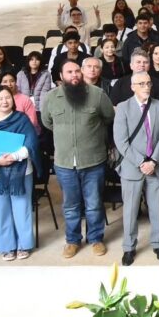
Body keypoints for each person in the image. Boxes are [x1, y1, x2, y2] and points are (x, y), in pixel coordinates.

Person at [40, 60, 115, 258]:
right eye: (69, 72)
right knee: (71, 206)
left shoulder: (97, 94)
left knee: (94, 204)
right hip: (65, 163)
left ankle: (96, 239)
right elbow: (47, 122)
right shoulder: (51, 98)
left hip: (93, 161)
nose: (74, 75)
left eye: (76, 71)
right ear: (61, 76)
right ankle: (72, 241)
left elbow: (108, 117)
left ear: (81, 73)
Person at [0, 85, 40, 260]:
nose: (4, 101)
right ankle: (6, 246)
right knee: (0, 210)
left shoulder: (22, 119)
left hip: (21, 171)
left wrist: (14, 156)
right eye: (0, 98)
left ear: (13, 100)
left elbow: (31, 144)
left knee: (22, 208)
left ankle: (24, 244)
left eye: (8, 97)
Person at [113, 72, 159, 266]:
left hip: (156, 166)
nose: (146, 87)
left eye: (148, 83)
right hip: (132, 167)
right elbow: (121, 141)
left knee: (156, 208)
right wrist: (141, 162)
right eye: (141, 84)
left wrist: (153, 161)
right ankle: (129, 247)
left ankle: (158, 243)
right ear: (132, 87)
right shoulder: (123, 108)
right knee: (130, 211)